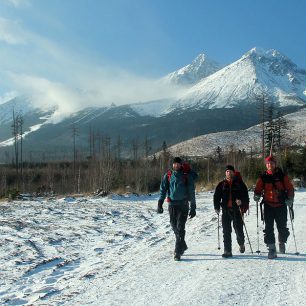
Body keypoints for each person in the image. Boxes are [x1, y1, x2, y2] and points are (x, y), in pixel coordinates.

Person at [253, 155, 294, 259]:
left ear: (275, 164)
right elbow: (258, 188)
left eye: (271, 163)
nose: (269, 165)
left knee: (282, 228)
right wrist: (256, 195)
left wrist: (290, 198)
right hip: (268, 205)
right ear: (266, 165)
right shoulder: (263, 177)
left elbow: (290, 188)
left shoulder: (282, 176)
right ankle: (272, 249)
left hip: (281, 205)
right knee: (268, 228)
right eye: (267, 163)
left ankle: (282, 242)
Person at [157, 157, 197, 261]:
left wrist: (193, 207)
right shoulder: (169, 175)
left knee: (180, 227)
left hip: (183, 205)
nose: (176, 166)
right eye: (174, 164)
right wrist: (160, 202)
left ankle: (177, 251)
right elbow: (163, 189)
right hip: (172, 205)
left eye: (178, 164)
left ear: (181, 165)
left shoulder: (186, 176)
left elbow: (192, 192)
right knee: (173, 225)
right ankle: (182, 243)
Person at [214, 165, 249, 258]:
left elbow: (246, 196)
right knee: (226, 231)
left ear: (233, 172)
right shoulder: (221, 184)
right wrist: (216, 207)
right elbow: (216, 196)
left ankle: (241, 243)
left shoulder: (240, 184)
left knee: (239, 230)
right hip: (225, 211)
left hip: (237, 211)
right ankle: (227, 251)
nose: (228, 173)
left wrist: (241, 201)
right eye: (227, 171)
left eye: (230, 171)